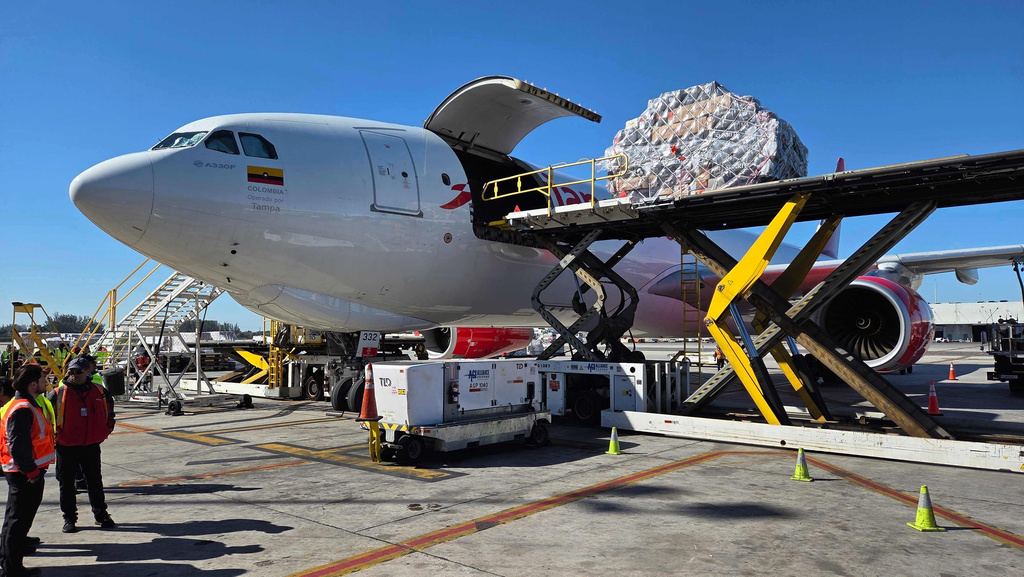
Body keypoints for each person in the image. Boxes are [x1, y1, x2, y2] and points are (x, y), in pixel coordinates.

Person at [47, 357, 116, 533]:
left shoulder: (99, 391)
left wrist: (106, 429)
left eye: (78, 372)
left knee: (94, 481)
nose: (73, 375)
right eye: (71, 372)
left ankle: (101, 514)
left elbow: (110, 411)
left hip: (91, 444)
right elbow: (46, 418)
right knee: (67, 483)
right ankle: (69, 518)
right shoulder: (58, 393)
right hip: (66, 446)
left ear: (87, 372)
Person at [0, 364, 54, 577]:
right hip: (24, 474)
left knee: (17, 520)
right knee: (16, 521)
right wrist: (31, 473)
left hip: (27, 471)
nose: (45, 382)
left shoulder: (27, 404)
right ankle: (11, 569)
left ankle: (12, 558)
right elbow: (18, 447)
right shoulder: (23, 409)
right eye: (42, 379)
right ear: (33, 385)